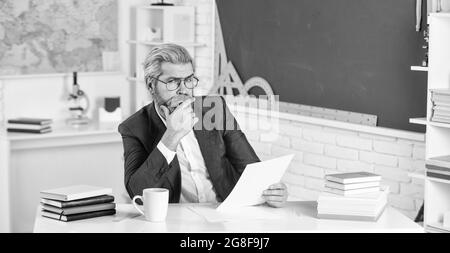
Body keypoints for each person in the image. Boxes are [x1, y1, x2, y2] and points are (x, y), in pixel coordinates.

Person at [118, 43, 288, 207]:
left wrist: (273, 191)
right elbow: (137, 193)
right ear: (151, 85)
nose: (184, 90)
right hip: (176, 223)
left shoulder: (214, 108)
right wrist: (171, 137)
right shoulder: (134, 127)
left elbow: (251, 168)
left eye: (189, 80)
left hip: (223, 213)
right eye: (172, 82)